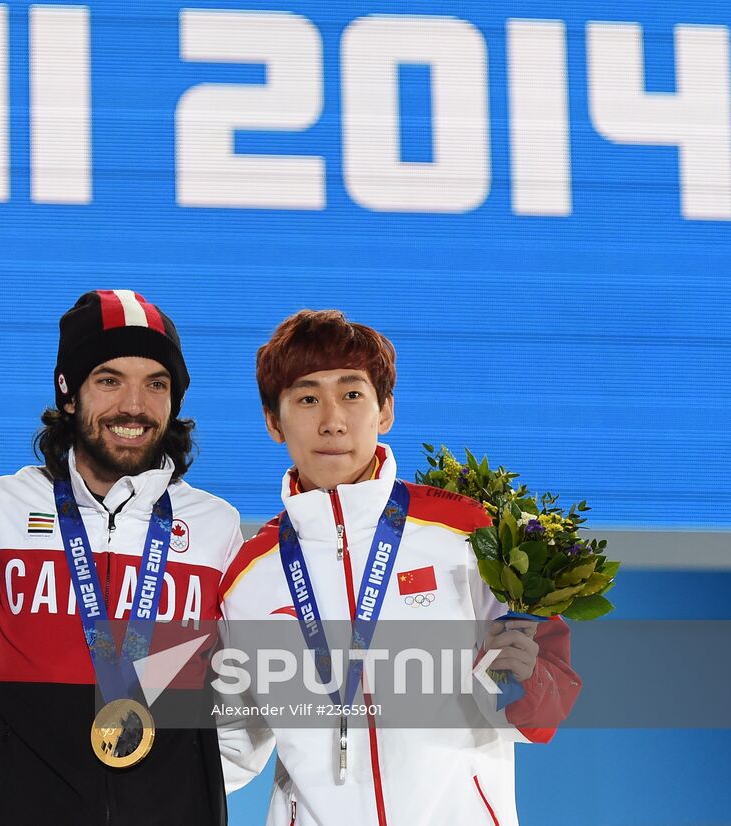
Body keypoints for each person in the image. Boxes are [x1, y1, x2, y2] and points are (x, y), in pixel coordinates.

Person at [219, 309, 580, 825]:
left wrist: (527, 678)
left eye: (352, 394)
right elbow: (231, 743)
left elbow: (543, 703)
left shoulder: (468, 533)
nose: (332, 420)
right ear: (273, 421)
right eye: (307, 398)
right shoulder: (249, 577)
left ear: (385, 410)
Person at [0, 289, 262, 825]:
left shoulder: (216, 526)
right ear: (69, 394)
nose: (134, 406)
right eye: (109, 380)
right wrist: (18, 772)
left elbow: (246, 698)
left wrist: (181, 781)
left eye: (156, 384)